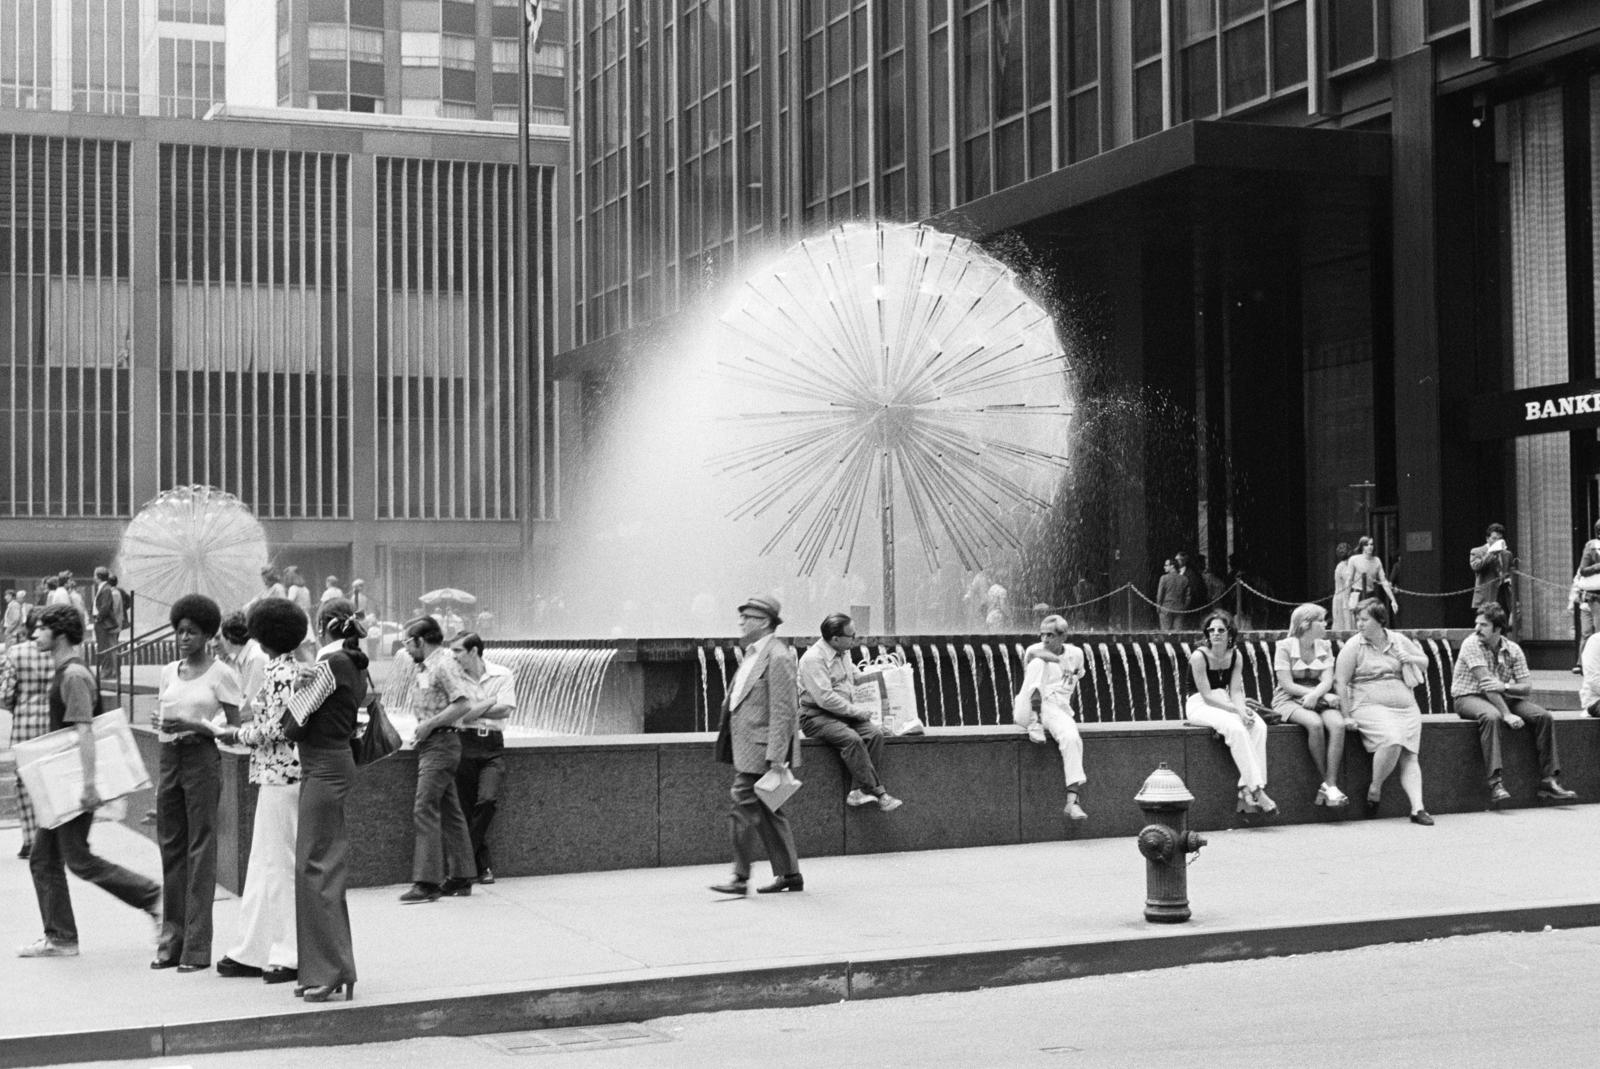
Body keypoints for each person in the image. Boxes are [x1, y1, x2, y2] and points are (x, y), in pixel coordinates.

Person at [17, 604, 162, 959]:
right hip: (63, 783)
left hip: (71, 785)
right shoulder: (68, 672)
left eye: (40, 629)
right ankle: (61, 936)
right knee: (43, 858)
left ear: (59, 634)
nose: (35, 635)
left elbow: (85, 731)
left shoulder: (74, 676)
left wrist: (88, 785)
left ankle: (152, 897)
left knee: (77, 859)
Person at [209, 600, 307, 984]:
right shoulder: (288, 669)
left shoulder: (278, 672)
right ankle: (254, 948)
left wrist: (236, 734)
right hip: (280, 775)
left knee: (277, 865)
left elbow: (280, 728)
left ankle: (288, 952)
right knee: (266, 864)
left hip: (281, 776)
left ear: (261, 635)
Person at [280, 597, 369, 1003]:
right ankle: (330, 968)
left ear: (323, 626)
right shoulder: (352, 664)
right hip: (334, 764)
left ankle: (330, 970)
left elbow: (292, 725)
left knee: (315, 868)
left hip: (323, 768)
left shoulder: (329, 665)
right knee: (322, 868)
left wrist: (297, 691)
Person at [153, 593, 243, 971]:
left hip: (202, 759)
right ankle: (170, 942)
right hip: (169, 759)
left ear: (207, 634)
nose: (183, 638)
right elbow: (162, 715)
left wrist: (198, 726)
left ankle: (196, 947)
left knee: (200, 850)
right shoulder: (168, 672)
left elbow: (237, 727)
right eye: (178, 631)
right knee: (170, 850)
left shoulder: (221, 673)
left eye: (191, 631)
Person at [710, 594, 803, 896]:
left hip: (761, 752)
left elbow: (783, 710)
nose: (741, 621)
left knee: (742, 808)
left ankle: (739, 878)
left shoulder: (778, 656)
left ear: (764, 622)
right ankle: (790, 875)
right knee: (767, 812)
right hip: (748, 747)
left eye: (747, 617)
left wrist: (776, 756)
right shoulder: (754, 653)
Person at [1449, 604, 1575, 806]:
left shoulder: (1513, 649)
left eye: (1483, 625)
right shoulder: (1470, 644)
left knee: (1544, 716)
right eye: (1477, 624)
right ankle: (1495, 783)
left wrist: (1505, 686)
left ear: (1498, 628)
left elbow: (1526, 687)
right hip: (1468, 697)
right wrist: (1506, 713)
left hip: (1503, 695)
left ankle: (1548, 781)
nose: (1477, 629)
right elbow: (1487, 685)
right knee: (1491, 716)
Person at [397, 615, 478, 903]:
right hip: (435, 742)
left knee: (424, 807)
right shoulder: (427, 666)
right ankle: (461, 876)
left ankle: (427, 882)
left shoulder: (443, 664)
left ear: (421, 640)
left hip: (441, 743)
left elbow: (464, 703)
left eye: (409, 642)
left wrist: (429, 725)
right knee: (450, 810)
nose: (406, 648)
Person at [1334, 598, 1431, 825]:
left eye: (1364, 619)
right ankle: (1375, 788)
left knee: (1410, 755)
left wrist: (1410, 658)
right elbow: (1341, 683)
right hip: (1369, 705)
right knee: (1392, 739)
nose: (1359, 624)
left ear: (1379, 620)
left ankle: (1418, 808)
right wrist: (1346, 716)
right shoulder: (1354, 646)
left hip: (1406, 707)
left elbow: (1425, 662)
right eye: (1357, 619)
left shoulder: (1398, 640)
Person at [796, 613, 902, 813]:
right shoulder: (813, 659)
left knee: (875, 735)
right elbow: (825, 698)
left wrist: (883, 672)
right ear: (835, 638)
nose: (856, 640)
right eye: (851, 636)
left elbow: (854, 675)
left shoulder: (843, 652)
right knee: (851, 739)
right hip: (815, 717)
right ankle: (880, 794)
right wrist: (856, 712)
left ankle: (857, 792)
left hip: (842, 713)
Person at [1184, 610, 1275, 814]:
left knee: (1258, 726)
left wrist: (1243, 711)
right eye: (1211, 630)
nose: (1215, 633)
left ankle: (1245, 789)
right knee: (1236, 728)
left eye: (1220, 630)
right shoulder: (1199, 656)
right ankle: (1258, 790)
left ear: (1229, 633)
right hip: (1198, 704)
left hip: (1224, 701)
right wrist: (1236, 712)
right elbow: (1206, 695)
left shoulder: (1236, 655)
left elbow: (1235, 691)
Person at [450, 631, 516, 884]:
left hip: (491, 745)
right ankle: (482, 866)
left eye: (457, 651)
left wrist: (472, 710)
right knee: (466, 808)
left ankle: (462, 861)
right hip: (463, 742)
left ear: (474, 651)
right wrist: (490, 701)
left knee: (487, 801)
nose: (453, 656)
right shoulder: (453, 676)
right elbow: (459, 714)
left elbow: (506, 710)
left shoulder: (502, 674)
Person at [1271, 603, 1350, 807]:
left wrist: (1317, 695)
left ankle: (1330, 785)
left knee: (1338, 725)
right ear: (1306, 624)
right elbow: (1287, 684)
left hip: (1319, 695)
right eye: (1321, 620)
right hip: (1288, 698)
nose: (1326, 624)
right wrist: (1313, 695)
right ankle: (1329, 784)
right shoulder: (1284, 646)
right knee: (1314, 724)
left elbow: (1326, 679)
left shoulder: (1324, 646)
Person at [1012, 614, 1089, 821]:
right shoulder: (1034, 650)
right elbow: (1037, 655)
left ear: (1063, 637)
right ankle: (1034, 721)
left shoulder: (1076, 654)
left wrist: (1067, 715)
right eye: (1042, 634)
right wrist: (1057, 660)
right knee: (1039, 663)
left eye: (1051, 635)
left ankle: (1072, 801)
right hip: (1026, 708)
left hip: (1056, 709)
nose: (1045, 639)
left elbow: (1074, 682)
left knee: (1072, 738)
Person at [1, 611, 55, 859]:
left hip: (25, 724)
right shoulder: (57, 653)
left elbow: (4, 693)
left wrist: (17, 706)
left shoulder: (16, 653)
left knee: (25, 783)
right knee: (52, 781)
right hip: (54, 724)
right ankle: (53, 837)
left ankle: (30, 839)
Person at [216, 611, 268, 710]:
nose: (219, 642)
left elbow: (251, 703)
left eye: (220, 637)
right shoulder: (242, 657)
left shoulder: (255, 657)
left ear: (229, 637)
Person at [1571, 519, 1600, 672]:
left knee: (1595, 631)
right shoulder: (1591, 546)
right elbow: (1583, 570)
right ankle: (1582, 664)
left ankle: (1587, 664)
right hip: (1592, 595)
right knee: (1589, 632)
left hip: (1592, 596)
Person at [1345, 537, 1396, 618]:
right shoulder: (1354, 560)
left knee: (1371, 619)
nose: (1369, 547)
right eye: (1366, 545)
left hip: (1370, 594)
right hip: (1357, 594)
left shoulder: (1376, 560)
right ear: (1362, 546)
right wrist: (1346, 600)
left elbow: (1384, 581)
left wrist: (1393, 600)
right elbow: (1349, 580)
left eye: (1371, 544)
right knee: (1358, 621)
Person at [1469, 523, 1513, 615]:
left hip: (1503, 595)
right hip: (1486, 596)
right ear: (1487, 539)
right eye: (1494, 538)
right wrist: (1491, 554)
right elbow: (1476, 567)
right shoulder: (1477, 551)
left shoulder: (1507, 554)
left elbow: (1510, 572)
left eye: (1499, 539)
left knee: (1503, 625)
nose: (1497, 541)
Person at [90, 567, 123, 678]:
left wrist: (98, 618)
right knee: (103, 645)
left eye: (95, 575)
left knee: (104, 647)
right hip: (101, 621)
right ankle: (107, 669)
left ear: (98, 577)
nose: (93, 577)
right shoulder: (104, 588)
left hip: (102, 622)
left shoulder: (105, 589)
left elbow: (105, 607)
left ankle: (106, 670)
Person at [1155, 559, 1185, 632]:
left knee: (1165, 633)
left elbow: (1160, 594)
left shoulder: (1163, 578)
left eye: (1166, 565)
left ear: (1172, 566)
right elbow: (1188, 597)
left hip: (1166, 608)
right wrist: (1184, 607)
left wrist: (1158, 607)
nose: (1164, 567)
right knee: (1178, 634)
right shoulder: (1184, 579)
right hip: (1179, 608)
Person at [1331, 542, 1354, 631]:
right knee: (1342, 623)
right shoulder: (1342, 566)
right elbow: (1348, 580)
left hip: (1347, 596)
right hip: (1342, 597)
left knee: (1350, 623)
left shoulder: (1348, 565)